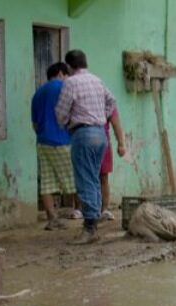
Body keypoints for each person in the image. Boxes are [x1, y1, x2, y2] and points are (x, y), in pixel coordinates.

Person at [55, 49, 125, 244]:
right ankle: (95, 215)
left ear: (69, 66)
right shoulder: (97, 80)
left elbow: (61, 112)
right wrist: (99, 116)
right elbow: (112, 102)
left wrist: (66, 122)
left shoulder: (70, 83)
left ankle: (90, 227)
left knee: (84, 180)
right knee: (94, 177)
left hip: (82, 133)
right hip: (100, 134)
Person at [32, 62, 75, 231]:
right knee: (77, 179)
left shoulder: (38, 93)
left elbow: (34, 124)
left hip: (43, 142)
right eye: (67, 75)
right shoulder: (65, 89)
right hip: (63, 140)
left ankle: (52, 218)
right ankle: (90, 216)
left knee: (47, 182)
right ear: (60, 73)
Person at [99, 106, 125, 221]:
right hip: (94, 141)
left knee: (103, 176)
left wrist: (121, 144)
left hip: (103, 142)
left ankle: (104, 209)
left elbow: (115, 123)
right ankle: (91, 210)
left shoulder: (107, 100)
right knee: (98, 178)